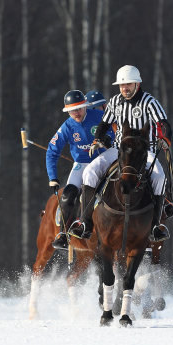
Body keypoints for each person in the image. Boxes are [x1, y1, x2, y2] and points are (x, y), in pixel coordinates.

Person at [68, 65, 172, 243]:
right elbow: (104, 124)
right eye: (122, 85)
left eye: (128, 84)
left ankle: (155, 226)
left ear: (137, 84)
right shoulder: (115, 101)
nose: (124, 88)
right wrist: (98, 139)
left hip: (145, 151)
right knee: (90, 171)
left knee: (160, 177)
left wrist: (165, 139)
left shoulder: (149, 102)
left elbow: (164, 124)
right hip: (118, 150)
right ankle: (85, 223)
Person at [47, 90, 115, 250]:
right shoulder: (67, 127)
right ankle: (63, 234)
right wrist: (53, 177)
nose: (76, 113)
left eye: (79, 108)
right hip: (82, 164)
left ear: (86, 106)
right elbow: (52, 151)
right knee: (68, 195)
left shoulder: (99, 117)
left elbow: (115, 132)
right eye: (72, 110)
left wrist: (107, 139)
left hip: (105, 159)